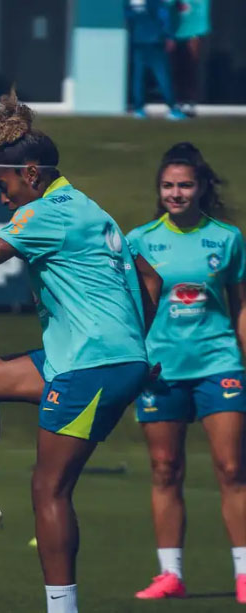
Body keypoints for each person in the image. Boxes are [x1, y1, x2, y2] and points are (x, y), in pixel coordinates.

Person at [0, 92, 159, 613]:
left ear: (32, 173)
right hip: (102, 359)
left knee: (49, 490)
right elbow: (149, 278)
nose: (2, 198)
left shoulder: (44, 213)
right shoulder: (91, 208)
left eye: (5, 186)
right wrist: (134, 346)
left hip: (93, 367)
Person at [125, 143, 246, 603]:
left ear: (201, 187)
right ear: (160, 190)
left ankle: (243, 573)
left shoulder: (228, 238)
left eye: (185, 185)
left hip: (219, 365)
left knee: (232, 467)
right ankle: (170, 574)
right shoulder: (139, 240)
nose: (176, 193)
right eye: (168, 185)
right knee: (164, 469)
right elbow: (132, 309)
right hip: (162, 369)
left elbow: (240, 306)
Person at [126, 0, 187, 120]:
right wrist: (169, 36)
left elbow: (128, 17)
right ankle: (173, 108)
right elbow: (163, 15)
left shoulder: (130, 2)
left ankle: (139, 108)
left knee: (138, 76)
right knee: (163, 75)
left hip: (138, 39)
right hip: (155, 40)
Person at [168, 0, 211, 116]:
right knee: (177, 67)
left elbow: (199, 10)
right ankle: (180, 100)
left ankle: (189, 101)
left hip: (193, 31)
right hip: (178, 31)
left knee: (190, 67)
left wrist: (196, 34)